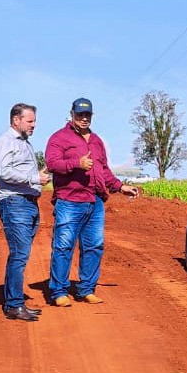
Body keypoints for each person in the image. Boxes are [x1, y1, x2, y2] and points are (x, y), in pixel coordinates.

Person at [43, 97, 139, 306]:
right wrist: (76, 163)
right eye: (80, 114)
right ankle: (59, 291)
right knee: (63, 246)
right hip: (70, 199)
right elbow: (51, 163)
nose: (84, 118)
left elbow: (103, 170)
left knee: (94, 246)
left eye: (87, 115)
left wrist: (120, 187)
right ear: (72, 114)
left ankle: (86, 289)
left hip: (94, 201)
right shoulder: (59, 138)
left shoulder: (96, 141)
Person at [0, 102, 47, 322]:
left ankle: (15, 302)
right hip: (15, 202)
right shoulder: (5, 141)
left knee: (21, 254)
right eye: (30, 121)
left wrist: (36, 176)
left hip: (28, 202)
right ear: (16, 120)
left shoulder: (25, 143)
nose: (34, 125)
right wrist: (34, 178)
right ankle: (13, 305)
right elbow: (3, 173)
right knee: (19, 254)